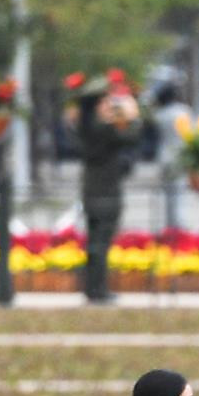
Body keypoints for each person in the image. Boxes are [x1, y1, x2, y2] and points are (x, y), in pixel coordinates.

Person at [75, 77, 146, 304]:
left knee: (94, 242)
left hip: (91, 192)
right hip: (106, 193)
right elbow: (131, 136)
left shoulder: (86, 126)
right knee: (100, 243)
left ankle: (93, 289)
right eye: (106, 101)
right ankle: (98, 290)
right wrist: (133, 115)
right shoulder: (102, 129)